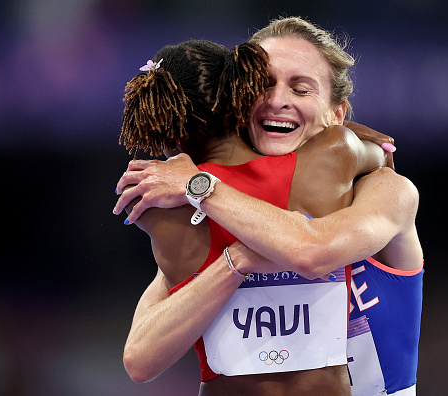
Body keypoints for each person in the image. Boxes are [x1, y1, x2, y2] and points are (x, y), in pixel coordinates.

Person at [115, 16, 423, 395]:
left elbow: (311, 250)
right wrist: (233, 261)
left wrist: (201, 188)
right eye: (261, 87)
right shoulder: (206, 210)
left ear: (336, 114)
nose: (277, 101)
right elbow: (140, 356)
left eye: (301, 89)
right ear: (238, 101)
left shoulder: (387, 191)